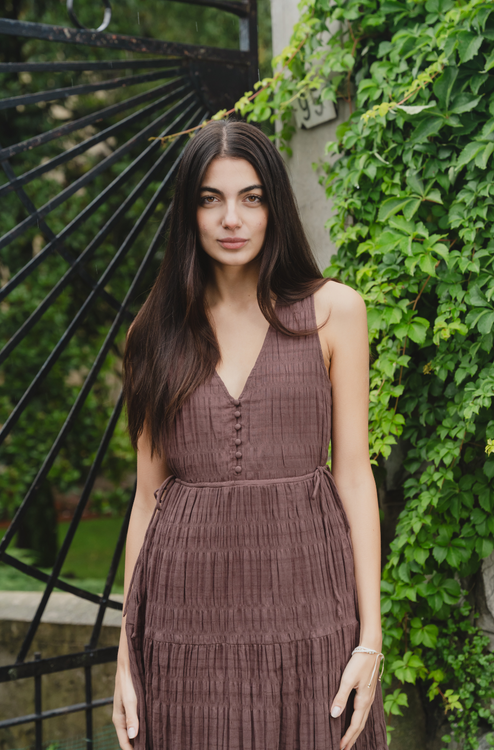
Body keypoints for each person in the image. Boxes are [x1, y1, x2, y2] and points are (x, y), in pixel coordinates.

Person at [112, 118, 388, 750]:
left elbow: (352, 472)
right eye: (210, 198)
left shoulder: (334, 312)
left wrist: (369, 636)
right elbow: (148, 498)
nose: (231, 218)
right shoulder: (152, 334)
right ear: (189, 213)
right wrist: (126, 655)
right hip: (184, 623)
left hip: (310, 607)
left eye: (251, 197)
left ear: (274, 208)